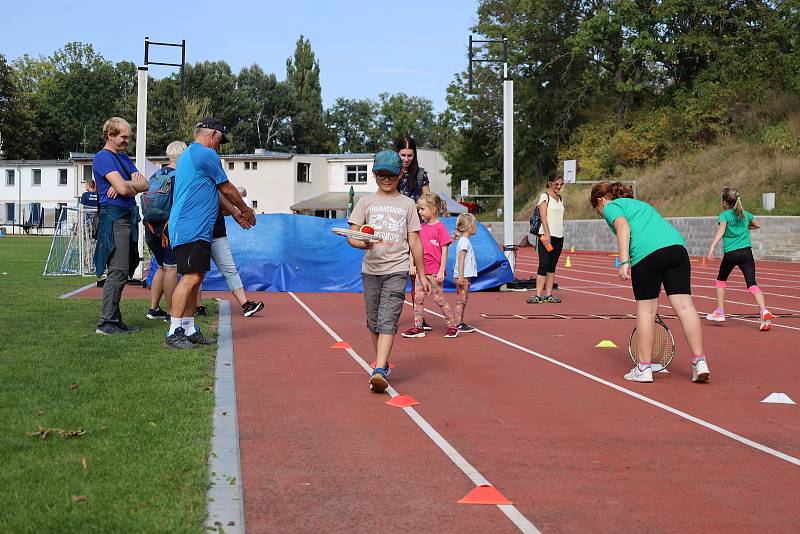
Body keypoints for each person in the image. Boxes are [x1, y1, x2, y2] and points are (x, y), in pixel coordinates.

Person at [590, 182, 710, 383]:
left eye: (597, 210)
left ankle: (644, 368)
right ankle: (700, 362)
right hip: (676, 249)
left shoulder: (611, 206)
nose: (601, 214)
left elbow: (623, 227)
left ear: (600, 200)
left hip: (646, 255)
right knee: (685, 307)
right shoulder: (639, 205)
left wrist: (624, 261)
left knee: (646, 310)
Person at [165, 118, 256, 349]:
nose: (220, 145)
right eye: (220, 140)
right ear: (213, 134)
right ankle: (173, 332)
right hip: (190, 227)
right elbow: (226, 187)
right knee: (190, 278)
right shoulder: (205, 154)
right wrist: (245, 210)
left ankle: (188, 328)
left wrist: (236, 213)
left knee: (196, 279)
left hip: (196, 227)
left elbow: (217, 191)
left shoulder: (192, 155)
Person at [347, 149, 430, 393]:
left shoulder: (407, 204)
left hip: (397, 269)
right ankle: (382, 364)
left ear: (400, 174)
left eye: (391, 176)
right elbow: (352, 235)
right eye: (381, 175)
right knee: (373, 322)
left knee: (387, 319)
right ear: (373, 175)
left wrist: (422, 273)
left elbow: (414, 240)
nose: (386, 180)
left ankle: (380, 368)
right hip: (371, 270)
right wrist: (363, 242)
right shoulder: (365, 202)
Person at [92, 117, 150, 335]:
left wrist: (126, 185)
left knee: (124, 268)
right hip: (115, 220)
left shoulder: (124, 158)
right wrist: (127, 185)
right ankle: (107, 322)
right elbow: (127, 189)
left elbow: (145, 184)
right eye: (123, 136)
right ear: (109, 135)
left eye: (128, 136)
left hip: (127, 218)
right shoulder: (103, 158)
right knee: (118, 270)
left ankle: (114, 320)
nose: (127, 140)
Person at [705, 188, 772, 331]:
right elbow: (757, 224)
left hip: (731, 253)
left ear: (724, 202)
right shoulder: (744, 214)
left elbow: (721, 230)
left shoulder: (724, 216)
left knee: (721, 280)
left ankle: (720, 312)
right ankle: (764, 310)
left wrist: (711, 247)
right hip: (747, 253)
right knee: (752, 284)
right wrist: (744, 229)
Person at [195, 191, 264, 318]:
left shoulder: (215, 184)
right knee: (197, 273)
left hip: (217, 233)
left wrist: (235, 211)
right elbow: (226, 191)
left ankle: (245, 305)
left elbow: (224, 197)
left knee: (230, 270)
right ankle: (198, 307)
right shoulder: (194, 182)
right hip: (198, 232)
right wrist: (239, 211)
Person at [402, 193, 458, 338]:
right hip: (422, 271)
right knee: (418, 298)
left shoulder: (440, 228)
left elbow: (445, 250)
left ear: (433, 209)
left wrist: (441, 271)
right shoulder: (420, 228)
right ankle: (418, 326)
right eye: (418, 209)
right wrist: (412, 264)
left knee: (439, 298)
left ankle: (452, 325)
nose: (419, 212)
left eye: (422, 209)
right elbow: (414, 247)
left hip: (434, 272)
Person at [143, 141, 186, 322]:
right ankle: (170, 312)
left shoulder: (156, 175)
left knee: (160, 266)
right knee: (171, 269)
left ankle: (153, 308)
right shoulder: (180, 176)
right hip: (168, 228)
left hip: (150, 227)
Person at [396, 136, 432, 330]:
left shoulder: (420, 175)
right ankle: (389, 313)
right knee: (395, 273)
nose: (406, 159)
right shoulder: (391, 173)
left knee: (416, 275)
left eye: (410, 155)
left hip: (415, 228)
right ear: (397, 154)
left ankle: (419, 317)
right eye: (403, 155)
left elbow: (428, 199)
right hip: (395, 229)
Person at [527, 173, 566, 304]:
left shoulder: (560, 198)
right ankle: (538, 295)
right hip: (545, 235)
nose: (559, 186)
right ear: (550, 183)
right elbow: (543, 217)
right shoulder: (544, 197)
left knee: (552, 266)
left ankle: (548, 295)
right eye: (556, 184)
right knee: (543, 264)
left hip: (559, 236)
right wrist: (547, 234)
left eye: (561, 184)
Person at [452, 213, 478, 334]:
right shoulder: (464, 242)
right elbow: (461, 258)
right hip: (463, 276)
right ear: (469, 227)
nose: (476, 226)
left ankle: (459, 322)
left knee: (463, 299)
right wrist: (461, 276)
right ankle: (457, 323)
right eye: (475, 224)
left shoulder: (465, 241)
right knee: (461, 300)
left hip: (465, 276)